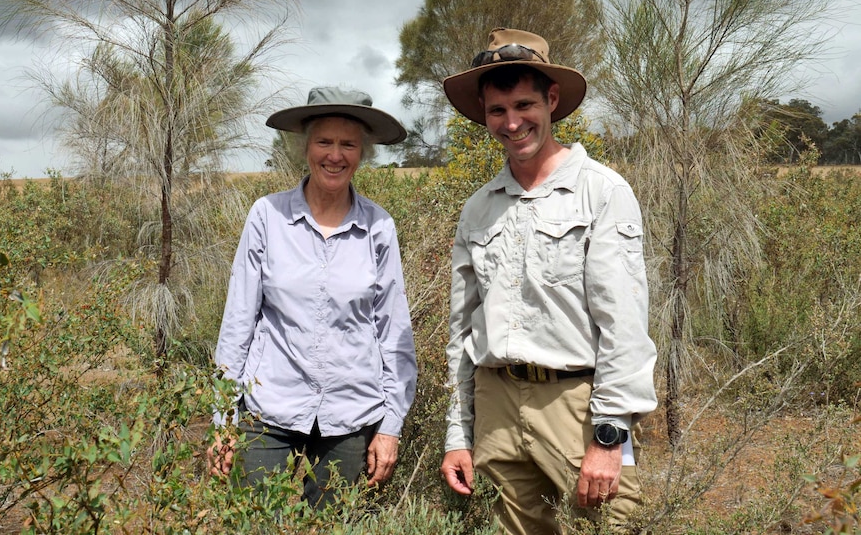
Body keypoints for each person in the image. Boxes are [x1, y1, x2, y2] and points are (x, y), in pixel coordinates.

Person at [439, 28, 658, 534]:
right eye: (498, 111)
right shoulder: (478, 208)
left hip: (577, 406)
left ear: (552, 100)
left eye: (524, 105)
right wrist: (458, 433)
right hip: (495, 405)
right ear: (484, 113)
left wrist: (608, 437)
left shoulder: (601, 192)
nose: (512, 123)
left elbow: (623, 323)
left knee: (607, 526)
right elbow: (461, 332)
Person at [208, 86, 418, 509]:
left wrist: (391, 425)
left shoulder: (379, 227)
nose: (335, 155)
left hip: (351, 414)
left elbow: (393, 331)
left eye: (348, 144)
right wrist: (223, 418)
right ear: (305, 147)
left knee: (335, 524)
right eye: (324, 142)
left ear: (363, 153)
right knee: (257, 520)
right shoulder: (267, 216)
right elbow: (238, 322)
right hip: (268, 408)